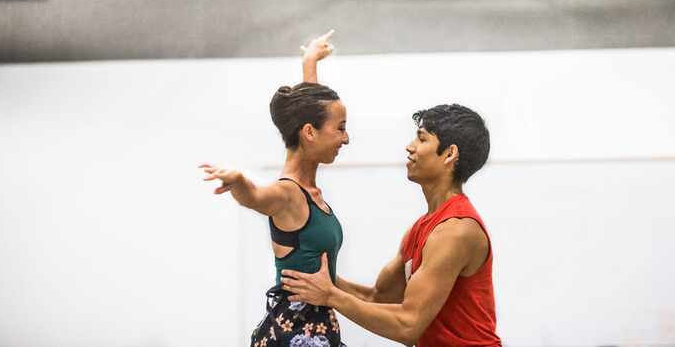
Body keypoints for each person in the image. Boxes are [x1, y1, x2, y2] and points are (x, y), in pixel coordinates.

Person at [281, 103, 501, 347]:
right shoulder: (421, 229)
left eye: (422, 139)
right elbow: (378, 297)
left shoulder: (456, 231)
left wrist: (331, 295)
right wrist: (322, 275)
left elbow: (407, 325)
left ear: (449, 154)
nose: (410, 147)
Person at [200, 30, 351, 347]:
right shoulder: (288, 194)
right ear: (310, 133)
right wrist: (238, 179)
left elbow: (312, 108)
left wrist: (309, 62)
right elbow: (255, 196)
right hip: (294, 334)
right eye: (340, 129)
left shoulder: (309, 188)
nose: (346, 138)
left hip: (317, 329)